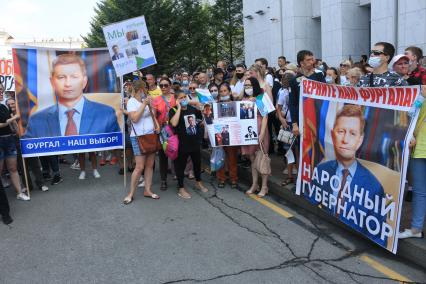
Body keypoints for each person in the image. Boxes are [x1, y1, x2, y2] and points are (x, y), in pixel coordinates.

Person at [311, 105, 386, 246]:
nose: (345, 139)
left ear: (360, 140)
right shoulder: (322, 171)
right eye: (341, 131)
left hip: (353, 245)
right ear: (333, 135)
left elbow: (378, 235)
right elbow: (310, 203)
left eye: (352, 133)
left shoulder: (374, 187)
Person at [23, 54, 120, 139]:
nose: (68, 84)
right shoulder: (36, 120)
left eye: (74, 77)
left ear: (84, 81)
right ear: (52, 82)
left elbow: (115, 143)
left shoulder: (106, 114)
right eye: (61, 77)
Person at [123, 80, 160, 204]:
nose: (147, 91)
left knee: (150, 165)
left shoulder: (148, 100)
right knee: (139, 167)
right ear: (140, 90)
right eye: (145, 89)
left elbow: (152, 114)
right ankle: (130, 193)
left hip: (151, 135)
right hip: (138, 137)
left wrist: (156, 121)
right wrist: (144, 104)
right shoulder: (132, 102)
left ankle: (147, 190)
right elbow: (134, 118)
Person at [169, 90, 208, 199]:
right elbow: (174, 123)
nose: (183, 99)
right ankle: (181, 187)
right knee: (180, 166)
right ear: (176, 100)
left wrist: (203, 121)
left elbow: (199, 121)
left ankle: (198, 181)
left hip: (194, 141)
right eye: (180, 98)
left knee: (197, 163)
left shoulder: (192, 109)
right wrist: (179, 108)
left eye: (184, 97)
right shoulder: (173, 110)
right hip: (181, 144)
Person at [399, 87, 426, 239]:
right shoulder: (422, 93)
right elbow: (409, 115)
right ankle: (416, 229)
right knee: (419, 192)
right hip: (420, 148)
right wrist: (421, 98)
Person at [0, 84, 29, 201]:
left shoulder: (5, 104)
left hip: (10, 139)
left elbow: (13, 124)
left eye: (1, 89)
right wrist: (14, 118)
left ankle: (19, 192)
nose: (1, 91)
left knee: (13, 168)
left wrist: (19, 131)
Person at [242, 77, 270, 197]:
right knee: (252, 159)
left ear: (255, 86)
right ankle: (255, 184)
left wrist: (262, 133)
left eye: (249, 85)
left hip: (260, 130)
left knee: (262, 157)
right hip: (248, 131)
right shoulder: (243, 99)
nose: (247, 88)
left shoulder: (261, 97)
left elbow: (265, 116)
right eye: (245, 86)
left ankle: (264, 186)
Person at [289, 50, 325, 137]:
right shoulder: (294, 81)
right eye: (308, 60)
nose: (312, 62)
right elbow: (292, 103)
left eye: (312, 59)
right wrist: (294, 124)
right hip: (301, 118)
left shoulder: (319, 76)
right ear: (301, 63)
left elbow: (326, 97)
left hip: (318, 117)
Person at [152, 78, 177, 190]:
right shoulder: (156, 99)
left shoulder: (175, 98)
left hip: (174, 129)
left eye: (166, 85)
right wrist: (157, 125)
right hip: (163, 131)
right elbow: (153, 115)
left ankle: (178, 176)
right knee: (163, 156)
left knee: (176, 153)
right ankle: (163, 180)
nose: (163, 88)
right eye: (161, 85)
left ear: (170, 86)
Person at [216, 83, 238, 188]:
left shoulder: (235, 104)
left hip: (232, 135)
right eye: (221, 91)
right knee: (220, 156)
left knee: (232, 157)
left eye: (225, 91)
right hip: (219, 134)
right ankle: (221, 178)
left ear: (229, 92)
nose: (223, 93)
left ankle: (233, 178)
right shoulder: (215, 105)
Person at [276, 72, 297, 186]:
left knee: (296, 151)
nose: (284, 82)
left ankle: (297, 176)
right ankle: (290, 176)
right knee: (288, 151)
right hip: (288, 124)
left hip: (297, 124)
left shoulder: (297, 92)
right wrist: (281, 119)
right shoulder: (283, 92)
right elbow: (278, 108)